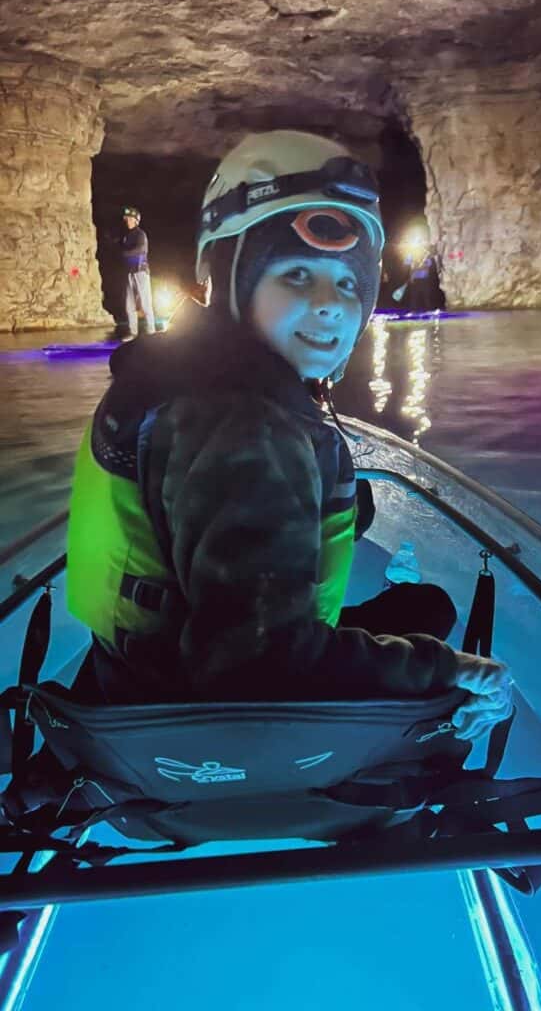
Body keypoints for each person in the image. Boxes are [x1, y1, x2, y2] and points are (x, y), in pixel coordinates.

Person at [66, 131, 511, 743]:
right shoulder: (245, 427)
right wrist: (446, 671)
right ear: (230, 275)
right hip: (197, 719)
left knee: (424, 610)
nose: (330, 305)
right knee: (439, 629)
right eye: (297, 274)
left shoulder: (184, 373)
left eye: (349, 283)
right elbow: (256, 667)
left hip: (132, 672)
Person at [120, 205, 156, 337]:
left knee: (145, 303)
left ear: (136, 220)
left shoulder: (141, 234)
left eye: (130, 219)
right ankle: (133, 332)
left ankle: (151, 330)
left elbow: (141, 249)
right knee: (129, 305)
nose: (128, 221)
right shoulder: (127, 236)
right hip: (130, 272)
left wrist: (125, 253)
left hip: (141, 271)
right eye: (127, 219)